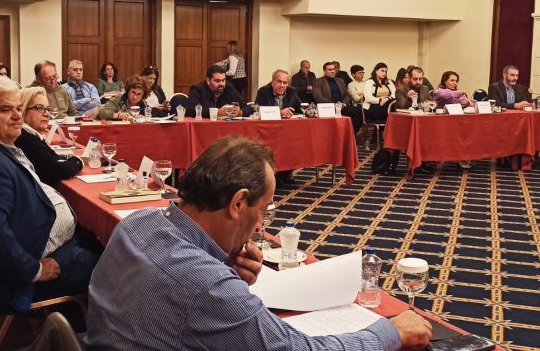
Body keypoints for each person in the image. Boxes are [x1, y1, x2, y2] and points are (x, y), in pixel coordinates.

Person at [82, 135, 433, 350]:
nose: (262, 224)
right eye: (263, 210)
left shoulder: (139, 221)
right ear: (238, 203)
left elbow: (178, 294)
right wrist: (390, 332)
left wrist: (224, 268)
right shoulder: (208, 287)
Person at [0, 75, 99, 313]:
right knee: (119, 265)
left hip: (42, 243)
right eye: (5, 109)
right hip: (30, 272)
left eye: (18, 108)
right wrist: (33, 270)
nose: (17, 116)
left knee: (103, 241)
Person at [16, 87, 83, 183]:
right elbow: (58, 170)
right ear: (22, 110)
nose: (47, 114)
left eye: (48, 109)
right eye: (39, 108)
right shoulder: (25, 138)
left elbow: (52, 159)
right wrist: (78, 161)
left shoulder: (29, 134)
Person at [313, 61, 364, 134]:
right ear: (324, 71)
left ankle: (350, 134)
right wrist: (334, 104)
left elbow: (347, 95)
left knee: (360, 111)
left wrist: (343, 104)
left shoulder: (340, 80)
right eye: (330, 70)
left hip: (341, 106)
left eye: (333, 69)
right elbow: (318, 97)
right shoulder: (318, 81)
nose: (332, 71)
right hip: (328, 107)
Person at [186, 65, 254, 118]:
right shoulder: (198, 90)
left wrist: (240, 112)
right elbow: (190, 110)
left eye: (223, 80)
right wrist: (217, 113)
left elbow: (248, 108)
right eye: (217, 81)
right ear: (208, 81)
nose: (221, 84)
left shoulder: (229, 89)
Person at [97, 76, 167, 121]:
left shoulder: (143, 103)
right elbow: (101, 112)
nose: (135, 97)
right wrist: (118, 115)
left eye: (139, 94)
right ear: (128, 90)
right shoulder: (118, 98)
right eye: (133, 92)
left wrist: (142, 117)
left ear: (143, 95)